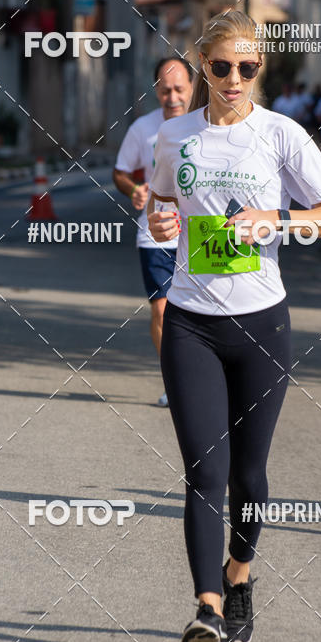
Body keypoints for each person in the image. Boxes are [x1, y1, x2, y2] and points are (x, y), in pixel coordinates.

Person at [147, 10, 321, 642]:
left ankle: (239, 574)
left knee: (251, 476)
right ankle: (206, 608)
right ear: (202, 65)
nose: (235, 79)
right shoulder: (173, 138)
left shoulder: (281, 135)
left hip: (263, 324)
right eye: (221, 67)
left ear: (260, 68)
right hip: (190, 324)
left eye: (248, 67)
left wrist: (279, 219)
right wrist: (160, 219)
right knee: (205, 470)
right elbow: (157, 202)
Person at [113, 57, 194, 406]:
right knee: (162, 310)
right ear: (156, 92)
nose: (172, 97)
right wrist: (133, 189)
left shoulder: (207, 125)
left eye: (179, 89)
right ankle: (175, 384)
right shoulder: (142, 129)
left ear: (192, 88)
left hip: (201, 233)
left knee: (198, 312)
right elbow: (120, 172)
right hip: (155, 233)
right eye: (165, 91)